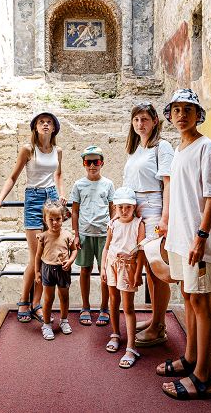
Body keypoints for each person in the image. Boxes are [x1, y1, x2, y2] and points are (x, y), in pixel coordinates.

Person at [158, 89, 211, 400]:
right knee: (187, 296)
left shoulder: (206, 147)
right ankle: (189, 358)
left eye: (188, 109)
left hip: (196, 241)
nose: (182, 115)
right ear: (171, 115)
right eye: (176, 110)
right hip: (179, 238)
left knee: (202, 303)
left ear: (198, 114)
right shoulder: (179, 150)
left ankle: (203, 377)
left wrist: (201, 237)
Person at [0, 112, 65, 323]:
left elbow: (57, 175)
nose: (45, 125)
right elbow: (13, 176)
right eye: (41, 122)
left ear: (54, 128)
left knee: (48, 255)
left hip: (52, 201)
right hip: (34, 199)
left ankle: (37, 303)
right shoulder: (28, 150)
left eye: (49, 122)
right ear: (35, 127)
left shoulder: (57, 151)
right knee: (35, 256)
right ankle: (24, 300)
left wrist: (61, 193)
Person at [122, 102, 174, 346]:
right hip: (135, 212)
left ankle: (159, 326)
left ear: (154, 121)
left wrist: (165, 218)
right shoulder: (135, 150)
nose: (140, 124)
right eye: (136, 120)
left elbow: (168, 182)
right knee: (145, 269)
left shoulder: (161, 147)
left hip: (154, 209)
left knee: (157, 270)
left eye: (144, 119)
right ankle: (155, 319)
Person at [101, 187, 146, 369]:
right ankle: (115, 333)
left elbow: (141, 251)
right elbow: (106, 247)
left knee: (128, 306)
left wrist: (137, 273)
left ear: (134, 207)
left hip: (128, 266)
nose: (124, 211)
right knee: (113, 300)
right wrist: (103, 267)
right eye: (120, 207)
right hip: (112, 263)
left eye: (128, 207)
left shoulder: (138, 224)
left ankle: (131, 347)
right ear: (115, 207)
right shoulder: (113, 223)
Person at [70, 145, 115, 327]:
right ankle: (86, 307)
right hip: (85, 234)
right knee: (85, 270)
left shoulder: (108, 184)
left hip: (104, 234)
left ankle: (104, 308)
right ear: (83, 164)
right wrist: (76, 234)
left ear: (102, 163)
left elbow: (113, 209)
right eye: (88, 162)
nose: (92, 165)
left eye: (96, 162)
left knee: (104, 272)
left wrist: (114, 233)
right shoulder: (79, 185)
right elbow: (74, 211)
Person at [34, 201, 77, 340]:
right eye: (50, 220)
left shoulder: (67, 235)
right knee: (48, 299)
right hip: (47, 269)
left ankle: (64, 320)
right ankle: (46, 324)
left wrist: (70, 261)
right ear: (45, 219)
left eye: (58, 219)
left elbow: (75, 251)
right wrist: (37, 271)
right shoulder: (43, 237)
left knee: (64, 297)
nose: (54, 223)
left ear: (63, 217)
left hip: (63, 269)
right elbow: (38, 256)